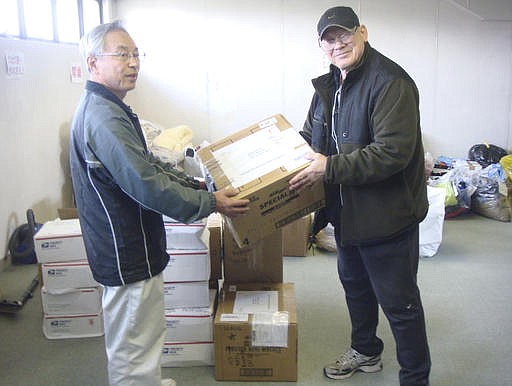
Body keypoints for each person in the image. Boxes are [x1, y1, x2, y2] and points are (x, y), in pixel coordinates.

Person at [69, 21, 249, 386]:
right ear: (93, 62)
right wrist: (209, 202)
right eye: (122, 54)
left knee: (144, 333)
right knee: (132, 346)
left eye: (136, 54)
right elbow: (147, 184)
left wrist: (199, 185)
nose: (133, 62)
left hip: (134, 243)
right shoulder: (103, 118)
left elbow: (149, 164)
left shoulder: (112, 108)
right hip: (124, 248)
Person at [289, 6, 431, 386]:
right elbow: (310, 138)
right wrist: (274, 155)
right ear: (321, 46)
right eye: (329, 39)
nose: (338, 44)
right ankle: (366, 351)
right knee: (356, 287)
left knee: (400, 304)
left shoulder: (390, 83)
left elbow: (392, 154)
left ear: (362, 32)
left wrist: (327, 167)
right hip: (345, 214)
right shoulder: (329, 85)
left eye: (344, 35)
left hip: (387, 217)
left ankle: (416, 378)